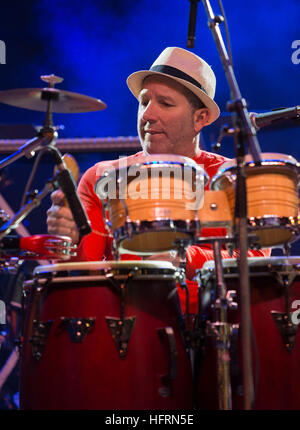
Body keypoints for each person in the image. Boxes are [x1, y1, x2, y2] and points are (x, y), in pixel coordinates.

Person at [47, 47, 269, 314]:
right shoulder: (101, 176)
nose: (148, 115)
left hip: (215, 333)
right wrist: (69, 242)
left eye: (165, 103)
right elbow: (86, 277)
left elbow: (258, 261)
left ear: (201, 118)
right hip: (128, 335)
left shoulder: (231, 177)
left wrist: (186, 258)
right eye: (144, 102)